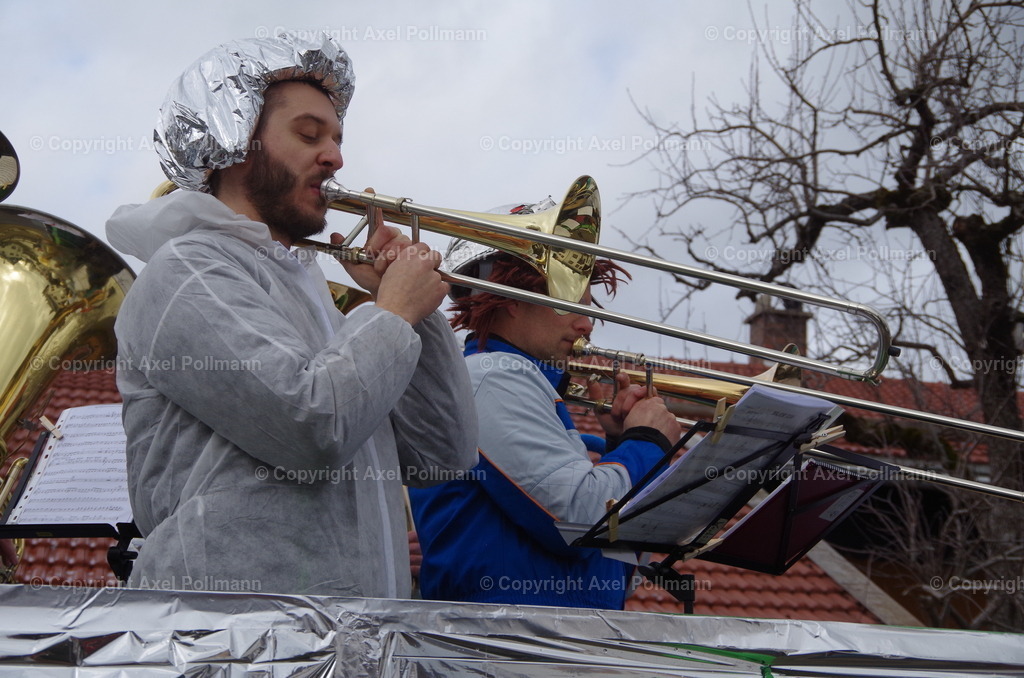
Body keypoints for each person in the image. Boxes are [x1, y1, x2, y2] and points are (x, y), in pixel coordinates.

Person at [105, 32, 477, 598]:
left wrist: (413, 315)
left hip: (356, 637)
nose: (336, 157)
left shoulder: (310, 291)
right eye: (308, 134)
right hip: (234, 640)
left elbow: (442, 456)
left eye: (337, 138)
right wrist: (394, 314)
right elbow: (311, 427)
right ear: (236, 143)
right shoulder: (186, 271)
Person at [408, 199, 682, 609]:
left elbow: (610, 566)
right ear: (509, 298)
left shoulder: (525, 386)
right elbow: (579, 522)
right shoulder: (492, 376)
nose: (586, 323)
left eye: (586, 308)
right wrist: (646, 444)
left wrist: (621, 443)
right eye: (567, 302)